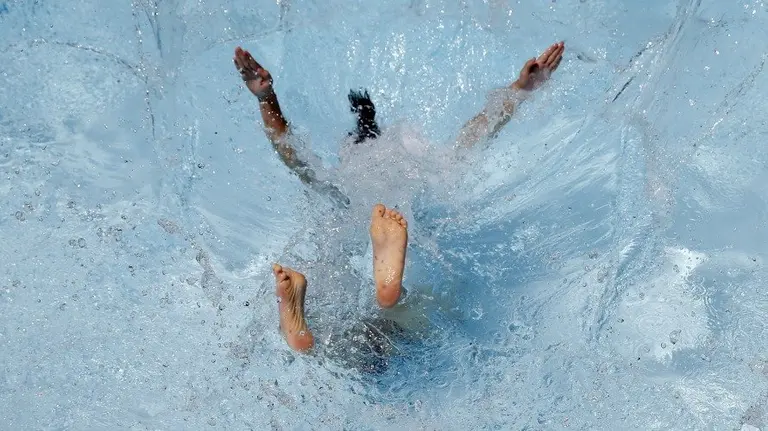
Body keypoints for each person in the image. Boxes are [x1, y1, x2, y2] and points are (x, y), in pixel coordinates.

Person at [232, 42, 565, 352]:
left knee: (337, 345)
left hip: (355, 223)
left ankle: (305, 320)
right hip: (405, 237)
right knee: (425, 323)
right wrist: (520, 90)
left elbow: (293, 156)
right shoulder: (426, 171)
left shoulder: (342, 185)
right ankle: (393, 292)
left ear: (347, 152)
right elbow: (477, 132)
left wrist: (266, 99)